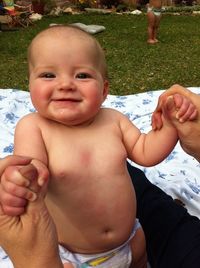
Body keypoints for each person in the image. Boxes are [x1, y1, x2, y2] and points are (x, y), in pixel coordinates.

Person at [0, 24, 197, 268]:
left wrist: (170, 122)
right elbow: (30, 172)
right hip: (77, 256)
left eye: (81, 75)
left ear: (104, 90)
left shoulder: (113, 120)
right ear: (29, 84)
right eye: (48, 75)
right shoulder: (34, 127)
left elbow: (147, 152)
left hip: (132, 241)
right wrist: (17, 181)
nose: (65, 84)